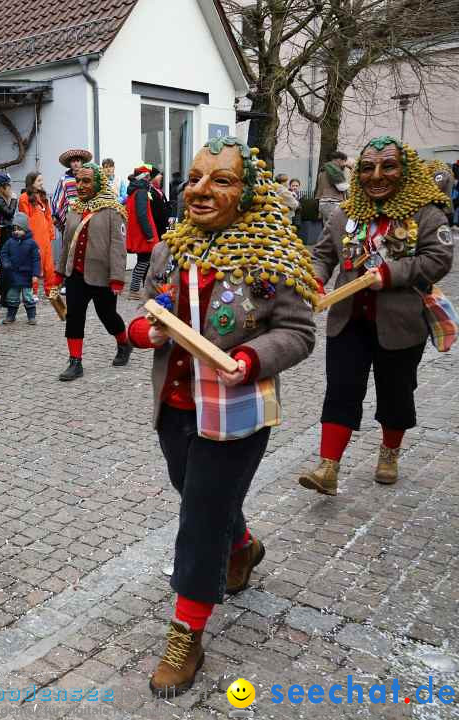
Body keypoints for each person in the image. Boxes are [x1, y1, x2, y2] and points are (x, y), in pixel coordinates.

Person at [126, 137, 317, 695]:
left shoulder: (271, 255)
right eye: (193, 178)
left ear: (249, 192)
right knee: (196, 494)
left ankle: (187, 631)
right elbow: (145, 314)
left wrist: (254, 357)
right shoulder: (169, 249)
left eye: (222, 179)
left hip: (236, 412)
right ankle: (244, 547)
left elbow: (299, 332)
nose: (201, 190)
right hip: (176, 408)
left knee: (200, 519)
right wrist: (147, 331)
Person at [299, 137, 453, 495]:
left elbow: (438, 259)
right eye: (367, 168)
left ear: (405, 170)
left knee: (396, 392)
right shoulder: (345, 213)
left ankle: (389, 451)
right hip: (347, 320)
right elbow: (323, 254)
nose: (377, 175)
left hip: (400, 324)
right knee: (341, 389)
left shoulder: (425, 212)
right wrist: (315, 279)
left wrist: (391, 273)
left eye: (388, 166)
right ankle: (328, 466)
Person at [54, 162, 131, 380]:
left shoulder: (113, 210)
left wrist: (117, 278)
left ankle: (124, 343)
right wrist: (60, 273)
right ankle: (75, 362)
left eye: (86, 181)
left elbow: (118, 247)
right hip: (76, 275)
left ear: (97, 182)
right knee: (74, 317)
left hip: (102, 276)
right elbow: (67, 244)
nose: (80, 185)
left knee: (107, 316)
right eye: (78, 180)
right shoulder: (74, 208)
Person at [18, 171, 59, 297]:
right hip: (33, 238)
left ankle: (51, 292)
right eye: (39, 181)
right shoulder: (24, 198)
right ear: (32, 182)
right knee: (34, 266)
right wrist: (28, 238)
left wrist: (51, 234)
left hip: (45, 237)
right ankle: (32, 293)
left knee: (50, 267)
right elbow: (25, 220)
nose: (42, 183)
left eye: (42, 180)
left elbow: (48, 217)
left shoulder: (43, 197)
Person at [126, 165, 162, 300]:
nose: (149, 179)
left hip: (139, 232)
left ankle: (136, 289)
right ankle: (134, 290)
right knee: (144, 262)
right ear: (143, 178)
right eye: (147, 177)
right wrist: (149, 234)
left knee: (143, 261)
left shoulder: (136, 190)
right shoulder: (141, 191)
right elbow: (142, 215)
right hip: (143, 233)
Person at [0, 212, 40, 325]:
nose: (16, 231)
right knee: (12, 297)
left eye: (19, 229)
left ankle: (31, 316)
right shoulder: (9, 242)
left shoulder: (32, 244)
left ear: (25, 229)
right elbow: (3, 253)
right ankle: (11, 316)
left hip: (27, 275)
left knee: (28, 297)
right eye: (14, 229)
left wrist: (35, 275)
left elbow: (36, 260)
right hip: (13, 275)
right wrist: (5, 263)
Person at [0, 173, 17, 305]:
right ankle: (4, 296)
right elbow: (9, 212)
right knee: (4, 264)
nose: (10, 189)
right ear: (2, 187)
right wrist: (13, 199)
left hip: (5, 232)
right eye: (8, 186)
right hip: (3, 234)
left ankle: (5, 295)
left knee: (5, 264)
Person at [51, 149, 92, 232]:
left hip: (86, 215)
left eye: (78, 161)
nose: (76, 164)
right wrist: (57, 216)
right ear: (70, 164)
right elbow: (57, 199)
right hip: (70, 217)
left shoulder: (88, 178)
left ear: (82, 162)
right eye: (73, 161)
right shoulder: (64, 180)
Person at [315, 150, 349, 222]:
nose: (345, 164)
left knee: (327, 229)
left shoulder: (323, 171)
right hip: (332, 203)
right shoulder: (334, 170)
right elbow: (342, 187)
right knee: (335, 229)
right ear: (339, 160)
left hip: (324, 203)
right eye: (344, 161)